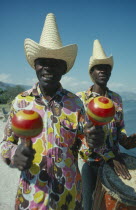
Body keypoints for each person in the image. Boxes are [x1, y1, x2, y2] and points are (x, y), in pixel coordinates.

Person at [0, 13, 86, 210]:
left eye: (56, 61)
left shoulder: (76, 104)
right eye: (43, 61)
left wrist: (96, 142)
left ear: (64, 67)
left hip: (69, 198)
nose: (48, 66)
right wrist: (14, 154)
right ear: (35, 65)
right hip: (31, 198)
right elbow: (6, 142)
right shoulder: (21, 102)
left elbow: (87, 148)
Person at [76, 39, 136, 210]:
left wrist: (124, 140)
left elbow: (119, 126)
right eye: (99, 67)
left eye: (107, 68)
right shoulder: (81, 99)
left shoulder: (116, 99)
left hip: (115, 162)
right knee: (88, 204)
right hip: (92, 163)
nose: (103, 71)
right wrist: (109, 157)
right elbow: (84, 136)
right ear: (91, 72)